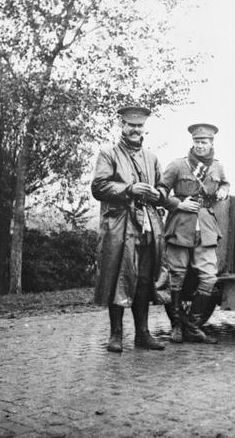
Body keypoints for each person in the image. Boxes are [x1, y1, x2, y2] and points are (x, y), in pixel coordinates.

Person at [92, 105, 169, 353]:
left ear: (144, 128)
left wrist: (159, 194)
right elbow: (99, 187)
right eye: (131, 125)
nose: (135, 130)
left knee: (145, 280)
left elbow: (163, 188)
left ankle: (143, 334)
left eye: (139, 126)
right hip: (120, 226)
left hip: (148, 227)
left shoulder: (152, 157)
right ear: (122, 126)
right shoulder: (108, 154)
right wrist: (129, 190)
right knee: (119, 276)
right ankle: (116, 335)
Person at [158, 123, 230, 345]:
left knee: (209, 277)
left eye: (204, 142)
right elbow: (159, 191)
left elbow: (225, 183)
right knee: (176, 276)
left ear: (211, 144)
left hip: (205, 228)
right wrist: (178, 204)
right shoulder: (179, 165)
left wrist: (224, 190)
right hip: (180, 226)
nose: (200, 146)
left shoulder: (217, 167)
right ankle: (177, 326)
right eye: (197, 142)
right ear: (193, 143)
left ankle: (193, 326)